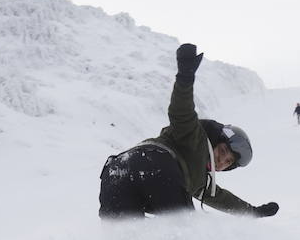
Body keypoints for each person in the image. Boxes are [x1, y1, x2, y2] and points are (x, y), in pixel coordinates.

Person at [98, 43, 279, 219]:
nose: (221, 160)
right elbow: (181, 111)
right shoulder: (196, 136)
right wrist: (185, 76)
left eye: (228, 161)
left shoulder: (199, 176)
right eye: (222, 151)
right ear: (215, 141)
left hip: (116, 170)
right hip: (156, 165)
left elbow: (220, 197)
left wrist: (252, 212)